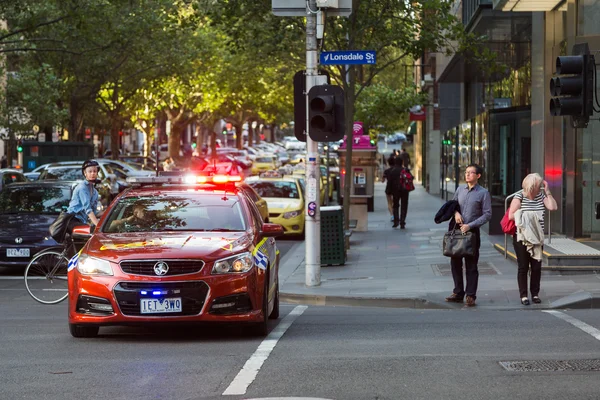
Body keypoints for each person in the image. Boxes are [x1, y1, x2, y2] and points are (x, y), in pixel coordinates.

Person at [445, 164, 492, 307]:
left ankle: (470, 295)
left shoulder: (483, 193)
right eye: (466, 172)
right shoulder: (460, 189)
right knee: (455, 263)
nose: (467, 175)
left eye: (471, 173)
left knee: (471, 264)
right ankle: (458, 292)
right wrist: (456, 213)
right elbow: (452, 206)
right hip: (457, 230)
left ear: (478, 176)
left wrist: (470, 225)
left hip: (472, 232)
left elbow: (487, 214)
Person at [508, 173, 557, 305]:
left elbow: (553, 207)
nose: (540, 187)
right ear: (532, 186)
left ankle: (535, 294)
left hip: (537, 237)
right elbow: (511, 215)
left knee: (536, 267)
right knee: (523, 267)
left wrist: (548, 192)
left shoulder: (541, 196)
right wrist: (530, 216)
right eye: (539, 185)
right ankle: (523, 295)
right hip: (522, 237)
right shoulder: (519, 196)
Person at [65, 160, 100, 253]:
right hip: (72, 220)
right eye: (90, 171)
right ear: (85, 173)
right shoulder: (82, 188)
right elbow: (88, 210)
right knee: (89, 238)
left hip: (81, 221)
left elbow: (94, 212)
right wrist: (98, 225)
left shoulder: (95, 191)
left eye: (95, 171)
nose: (93, 173)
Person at [388, 157, 410, 229]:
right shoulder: (405, 170)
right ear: (402, 162)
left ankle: (396, 221)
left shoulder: (393, 171)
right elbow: (410, 178)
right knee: (404, 205)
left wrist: (388, 191)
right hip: (404, 190)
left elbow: (390, 182)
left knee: (395, 205)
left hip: (395, 190)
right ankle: (402, 222)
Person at [381, 157, 395, 222]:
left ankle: (392, 216)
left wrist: (383, 176)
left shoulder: (386, 171)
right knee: (395, 202)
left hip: (389, 188)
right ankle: (396, 214)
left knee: (389, 203)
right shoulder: (397, 170)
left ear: (388, 163)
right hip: (396, 188)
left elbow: (382, 181)